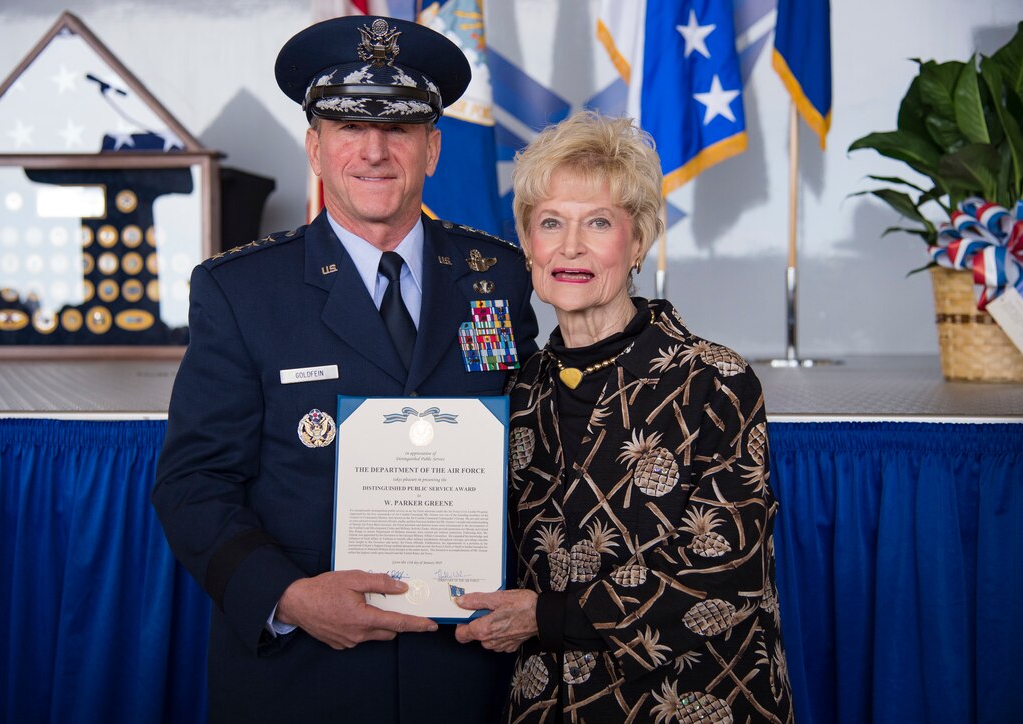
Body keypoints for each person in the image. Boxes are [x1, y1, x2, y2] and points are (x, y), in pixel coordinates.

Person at [152, 15, 538, 723]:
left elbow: (535, 460)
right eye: (348, 129)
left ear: (433, 148)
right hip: (302, 677)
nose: (374, 151)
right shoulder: (240, 291)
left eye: (398, 129)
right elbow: (192, 482)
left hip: (464, 673)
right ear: (315, 148)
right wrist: (290, 599)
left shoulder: (501, 276)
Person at [453, 111, 794, 723]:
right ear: (528, 243)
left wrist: (546, 617)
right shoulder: (518, 390)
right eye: (551, 222)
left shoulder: (713, 381)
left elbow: (722, 572)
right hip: (549, 704)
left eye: (599, 223)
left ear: (638, 242)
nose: (571, 247)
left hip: (689, 700)